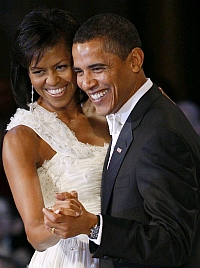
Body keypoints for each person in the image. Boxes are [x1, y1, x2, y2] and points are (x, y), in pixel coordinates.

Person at [42, 13, 200, 268]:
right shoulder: (136, 115)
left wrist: (93, 227)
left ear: (135, 60)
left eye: (98, 68)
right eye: (80, 71)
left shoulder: (159, 132)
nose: (87, 83)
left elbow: (172, 244)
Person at [2, 8, 110, 268]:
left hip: (119, 251)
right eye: (39, 71)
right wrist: (63, 222)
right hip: (70, 259)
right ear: (27, 74)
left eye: (61, 67)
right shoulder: (22, 136)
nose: (52, 80)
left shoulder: (103, 116)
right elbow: (35, 235)